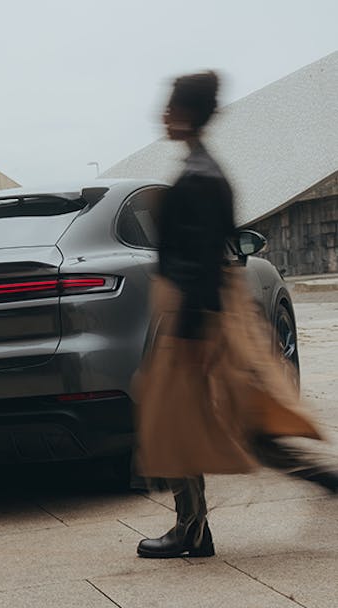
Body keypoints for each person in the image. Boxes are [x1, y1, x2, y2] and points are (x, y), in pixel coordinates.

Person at [133, 70, 338, 559]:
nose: (163, 113)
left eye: (171, 105)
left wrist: (190, 339)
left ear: (185, 113)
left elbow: (201, 261)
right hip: (210, 318)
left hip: (200, 322)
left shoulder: (200, 178)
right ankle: (194, 530)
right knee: (245, 427)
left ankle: (192, 532)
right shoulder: (204, 171)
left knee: (183, 422)